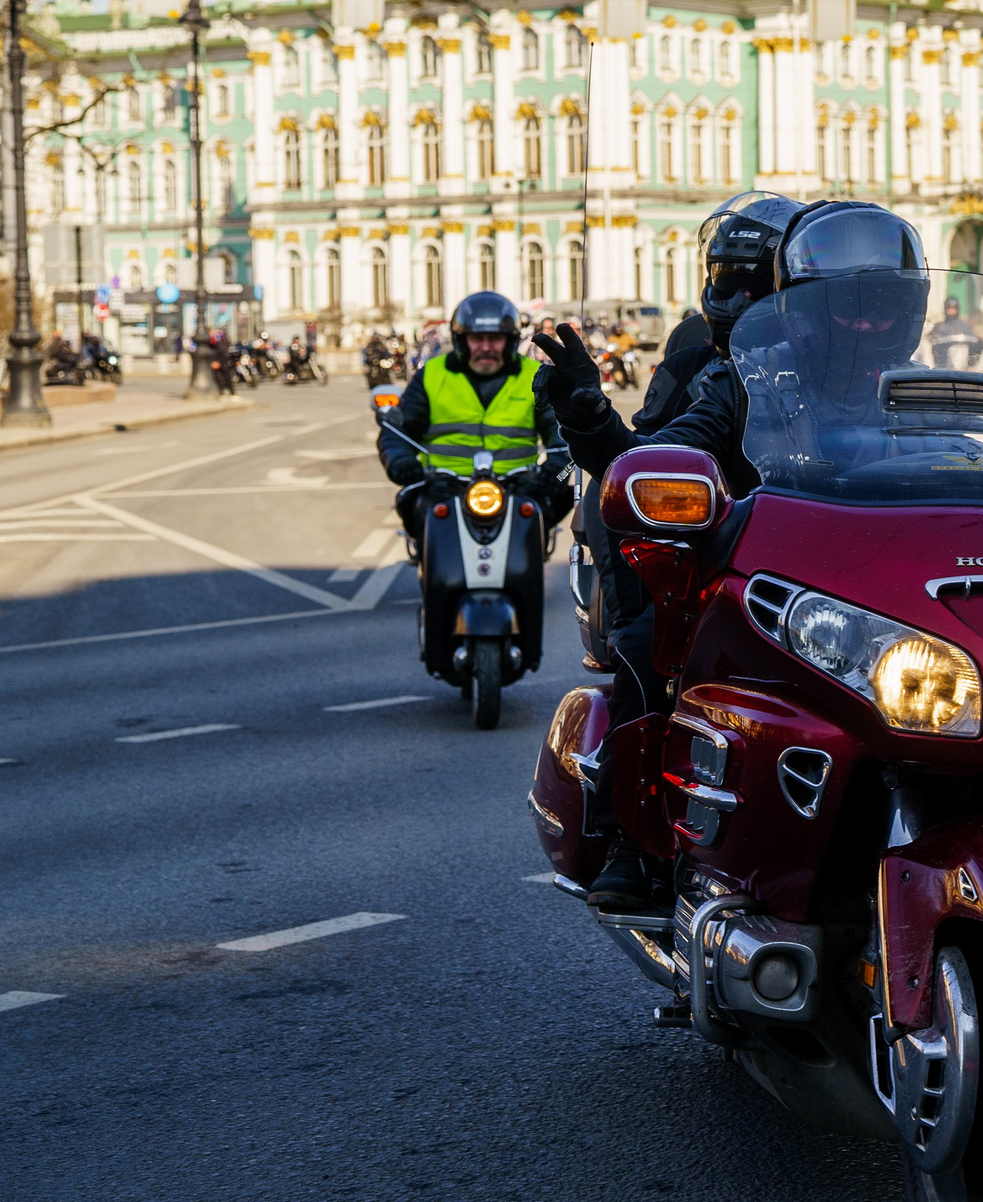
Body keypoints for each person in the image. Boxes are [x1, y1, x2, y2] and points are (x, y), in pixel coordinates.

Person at [532, 198, 911, 909]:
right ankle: (633, 838)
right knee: (651, 637)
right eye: (848, 306)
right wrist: (588, 413)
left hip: (877, 590)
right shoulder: (746, 380)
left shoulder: (929, 392)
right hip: (752, 576)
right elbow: (646, 458)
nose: (863, 322)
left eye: (880, 307)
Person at [376, 291, 572, 559]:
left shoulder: (535, 375)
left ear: (511, 340)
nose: (486, 347)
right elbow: (397, 431)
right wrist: (400, 462)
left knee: (552, 503)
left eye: (495, 339)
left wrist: (557, 472)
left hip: (520, 486)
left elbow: (565, 433)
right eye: (477, 338)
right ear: (461, 340)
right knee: (415, 509)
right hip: (443, 485)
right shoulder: (431, 375)